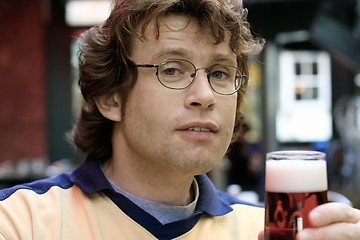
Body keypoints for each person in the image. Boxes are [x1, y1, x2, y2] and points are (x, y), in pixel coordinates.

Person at [1, 0, 359, 239]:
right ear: (111, 97)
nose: (205, 95)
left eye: (220, 73)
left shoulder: (261, 229)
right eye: (171, 70)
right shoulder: (23, 222)